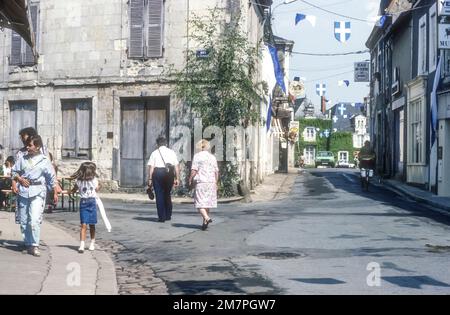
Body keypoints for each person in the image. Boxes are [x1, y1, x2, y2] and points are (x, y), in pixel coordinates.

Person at [11, 135, 58, 257]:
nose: (27, 147)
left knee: (34, 219)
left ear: (37, 146)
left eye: (30, 145)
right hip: (23, 191)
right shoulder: (22, 158)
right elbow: (14, 172)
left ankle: (34, 244)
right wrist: (19, 179)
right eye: (27, 145)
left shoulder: (44, 160)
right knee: (24, 220)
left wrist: (55, 192)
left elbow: (51, 178)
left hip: (38, 191)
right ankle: (27, 243)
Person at [147, 136, 180, 222]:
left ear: (157, 144)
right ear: (166, 143)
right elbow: (176, 166)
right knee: (167, 194)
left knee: (159, 195)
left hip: (158, 173)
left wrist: (150, 179)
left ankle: (161, 217)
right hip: (169, 173)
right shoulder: (171, 152)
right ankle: (168, 215)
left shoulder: (154, 153)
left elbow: (151, 168)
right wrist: (177, 178)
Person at [189, 140, 219, 231]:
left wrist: (190, 179)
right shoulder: (212, 157)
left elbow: (194, 170)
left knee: (199, 203)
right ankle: (204, 222)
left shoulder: (197, 156)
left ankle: (206, 217)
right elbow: (216, 172)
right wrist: (216, 182)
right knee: (207, 202)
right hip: (211, 182)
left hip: (201, 182)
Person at [71, 162, 100, 253]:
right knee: (83, 224)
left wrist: (99, 187)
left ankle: (92, 242)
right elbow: (74, 189)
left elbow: (97, 188)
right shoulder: (79, 181)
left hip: (92, 202)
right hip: (84, 202)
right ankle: (82, 245)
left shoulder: (94, 180)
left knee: (92, 224)